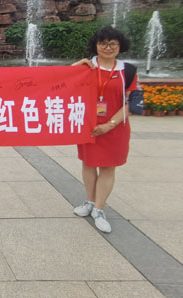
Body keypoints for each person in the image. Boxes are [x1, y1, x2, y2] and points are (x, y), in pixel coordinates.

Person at [71, 26, 138, 233]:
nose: (108, 48)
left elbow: (133, 104)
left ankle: (99, 209)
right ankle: (90, 201)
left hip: (115, 129)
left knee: (108, 168)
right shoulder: (87, 67)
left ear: (120, 46)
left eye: (112, 44)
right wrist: (75, 66)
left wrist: (110, 125)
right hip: (89, 127)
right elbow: (63, 83)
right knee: (89, 164)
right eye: (103, 43)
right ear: (96, 45)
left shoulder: (128, 71)